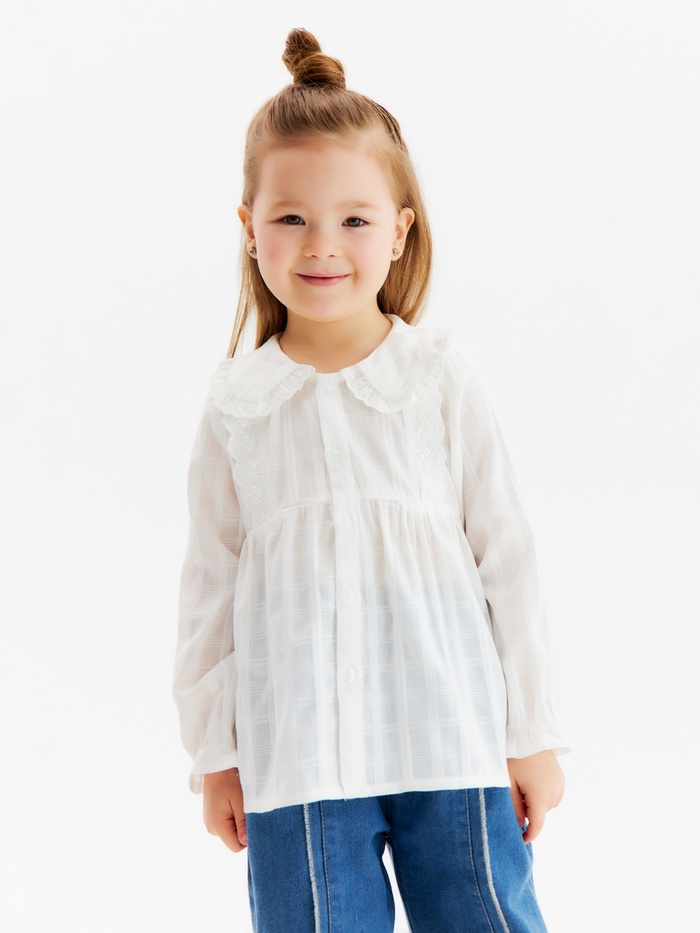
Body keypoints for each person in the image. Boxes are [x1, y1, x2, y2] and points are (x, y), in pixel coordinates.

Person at [174, 27, 568, 933]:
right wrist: (215, 754)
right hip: (298, 757)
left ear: (400, 231)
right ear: (250, 229)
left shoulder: (437, 378)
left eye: (354, 219)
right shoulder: (239, 405)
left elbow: (507, 558)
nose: (323, 245)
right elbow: (208, 591)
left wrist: (532, 733)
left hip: (453, 738)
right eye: (291, 219)